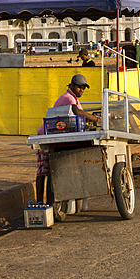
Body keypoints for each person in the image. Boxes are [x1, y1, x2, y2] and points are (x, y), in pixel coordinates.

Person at [35, 74, 102, 202]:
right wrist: (98, 119)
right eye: (79, 87)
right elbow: (78, 112)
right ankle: (39, 202)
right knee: (42, 170)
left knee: (54, 169)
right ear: (71, 86)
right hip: (45, 136)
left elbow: (81, 116)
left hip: (56, 136)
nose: (81, 90)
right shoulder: (68, 97)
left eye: (83, 88)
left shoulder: (75, 99)